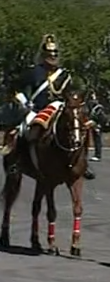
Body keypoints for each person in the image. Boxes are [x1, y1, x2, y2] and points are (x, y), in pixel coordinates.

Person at [4, 35, 95, 179]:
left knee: (83, 127)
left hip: (58, 109)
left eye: (55, 55)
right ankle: (18, 161)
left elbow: (69, 93)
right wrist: (24, 101)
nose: (53, 58)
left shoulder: (64, 75)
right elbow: (16, 89)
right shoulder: (33, 72)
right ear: (43, 55)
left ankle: (82, 163)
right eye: (49, 55)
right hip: (37, 109)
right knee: (24, 129)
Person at [87, 91, 106, 162]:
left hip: (97, 127)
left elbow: (101, 118)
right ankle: (96, 154)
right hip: (94, 126)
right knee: (95, 140)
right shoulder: (92, 108)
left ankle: (98, 155)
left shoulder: (98, 108)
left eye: (93, 98)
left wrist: (98, 125)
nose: (92, 100)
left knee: (98, 141)